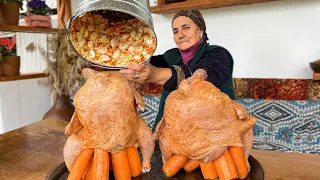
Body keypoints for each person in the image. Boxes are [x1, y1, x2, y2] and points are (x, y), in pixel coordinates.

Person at [119, 10, 236, 131]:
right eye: (175, 31)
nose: (180, 35)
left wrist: (155, 74)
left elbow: (201, 72)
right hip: (174, 134)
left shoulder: (219, 54)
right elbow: (142, 63)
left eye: (186, 28)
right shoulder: (172, 56)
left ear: (200, 31)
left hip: (218, 134)